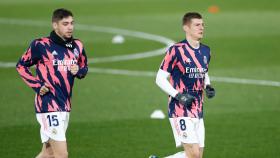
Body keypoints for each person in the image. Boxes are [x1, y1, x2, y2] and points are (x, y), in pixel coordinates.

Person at [16, 8, 88, 158]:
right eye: (65, 23)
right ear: (55, 25)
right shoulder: (40, 45)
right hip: (48, 105)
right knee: (61, 154)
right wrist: (37, 85)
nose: (70, 27)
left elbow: (84, 67)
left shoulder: (77, 45)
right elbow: (21, 66)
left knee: (48, 153)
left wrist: (79, 71)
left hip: (65, 104)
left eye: (72, 23)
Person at [155, 12, 215, 158]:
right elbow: (159, 78)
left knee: (197, 156)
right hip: (179, 109)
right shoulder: (176, 50)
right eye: (197, 25)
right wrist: (178, 96)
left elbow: (203, 71)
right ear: (186, 28)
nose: (201, 28)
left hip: (198, 108)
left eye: (202, 25)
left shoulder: (206, 51)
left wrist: (208, 85)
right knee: (193, 155)